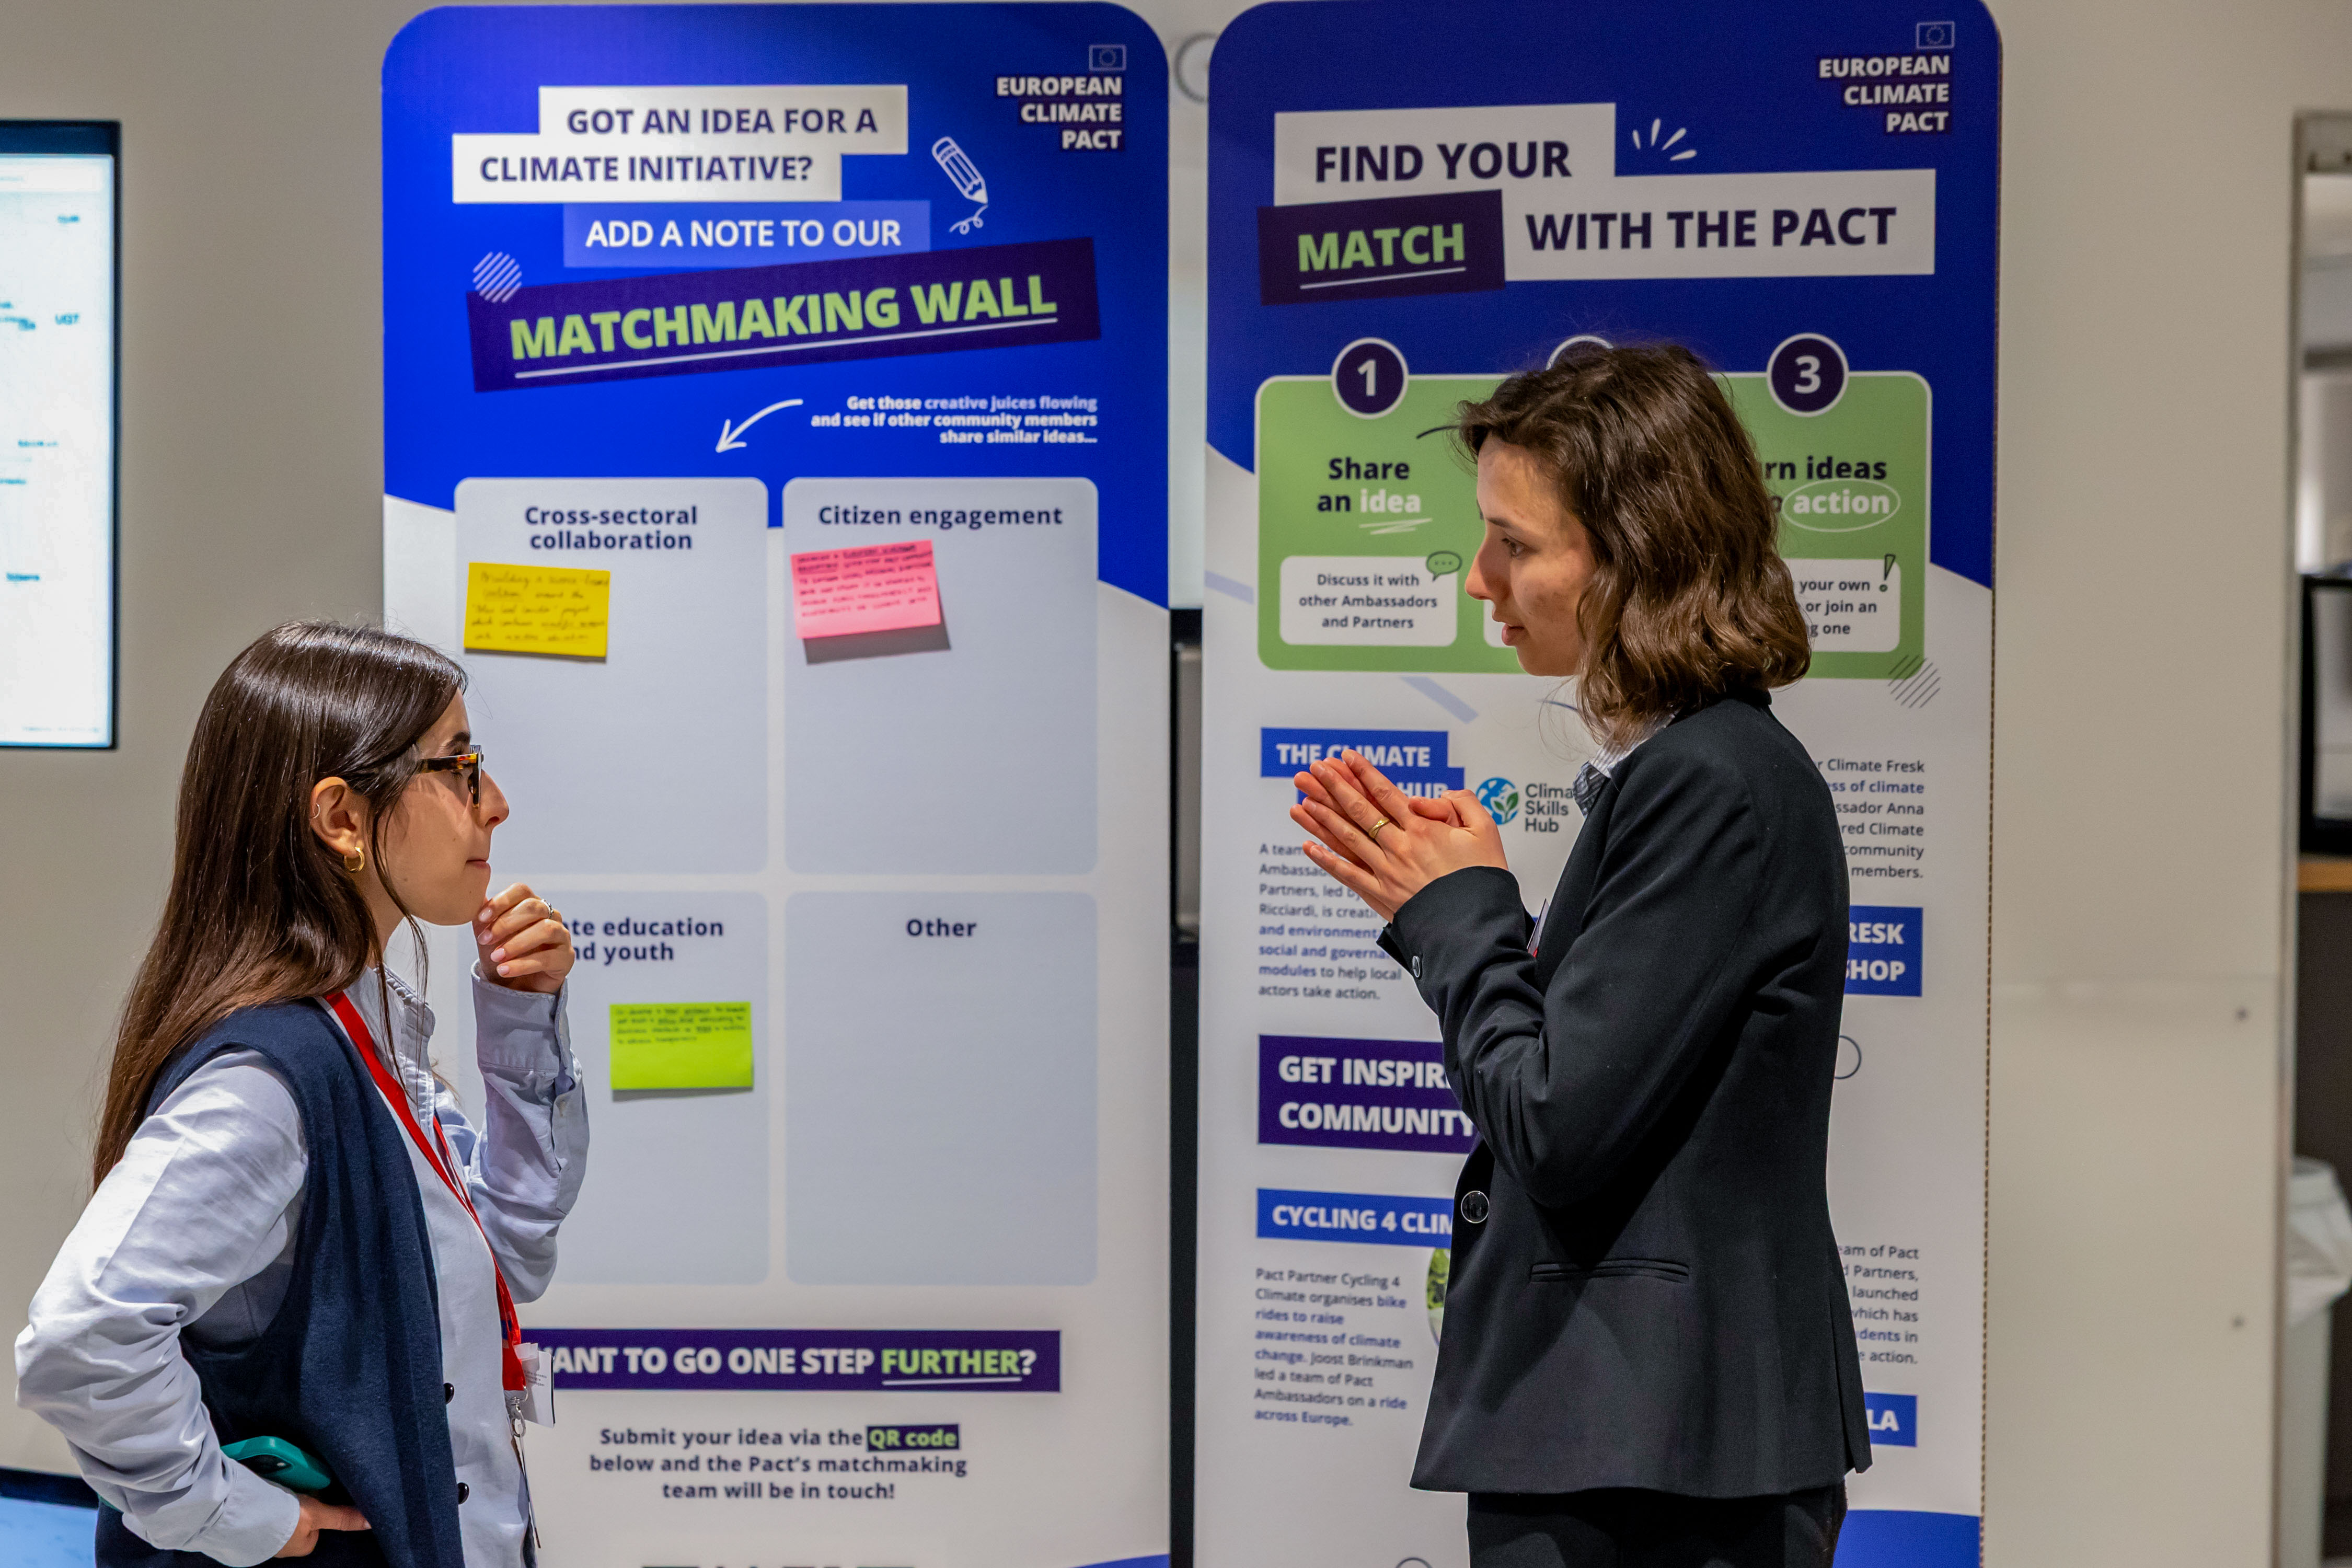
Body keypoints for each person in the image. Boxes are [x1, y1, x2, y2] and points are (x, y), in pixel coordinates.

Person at [1292, 344, 1869, 1568]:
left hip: (1655, 1454)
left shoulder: (1711, 781)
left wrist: (1458, 917)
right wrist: (1458, 908)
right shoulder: (1696, 772)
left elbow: (1556, 1122)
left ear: (1635, 555)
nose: (1479, 579)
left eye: (1515, 543)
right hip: (1639, 1437)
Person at [16, 621, 588, 1567]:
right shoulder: (268, 1081)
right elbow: (83, 1341)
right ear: (342, 820)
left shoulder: (363, 1031)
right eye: (460, 767)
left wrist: (522, 1023)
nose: (495, 805)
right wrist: (243, 1519)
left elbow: (509, 1255)